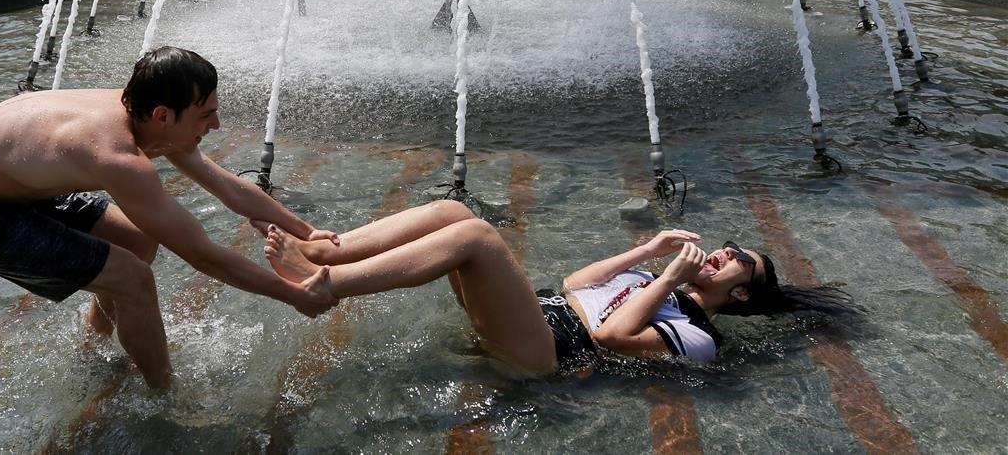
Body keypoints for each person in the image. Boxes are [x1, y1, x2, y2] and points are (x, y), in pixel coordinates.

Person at [0, 47, 338, 389]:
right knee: (133, 278)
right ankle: (162, 393)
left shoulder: (147, 109)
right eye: (206, 115)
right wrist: (294, 293)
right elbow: (203, 256)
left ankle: (97, 342)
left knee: (138, 241)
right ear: (163, 116)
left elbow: (226, 185)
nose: (217, 124)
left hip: (9, 189)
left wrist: (304, 230)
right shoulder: (117, 155)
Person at [260, 207, 857, 376]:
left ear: (742, 295)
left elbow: (610, 336)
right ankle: (323, 253)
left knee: (476, 236)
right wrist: (649, 254)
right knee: (451, 210)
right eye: (729, 248)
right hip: (540, 313)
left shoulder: (701, 335)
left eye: (738, 263)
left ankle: (325, 288)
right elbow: (576, 285)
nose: (724, 253)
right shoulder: (655, 280)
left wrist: (671, 281)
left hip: (547, 351)